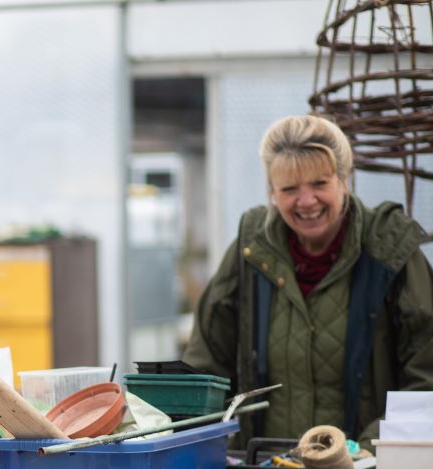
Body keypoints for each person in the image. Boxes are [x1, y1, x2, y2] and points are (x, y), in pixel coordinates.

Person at [183, 114, 433, 448]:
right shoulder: (251, 249)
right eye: (289, 188)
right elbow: (205, 368)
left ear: (344, 179)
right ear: (272, 192)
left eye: (319, 183)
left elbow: (426, 382)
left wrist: (367, 452)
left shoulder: (389, 249)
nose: (306, 201)